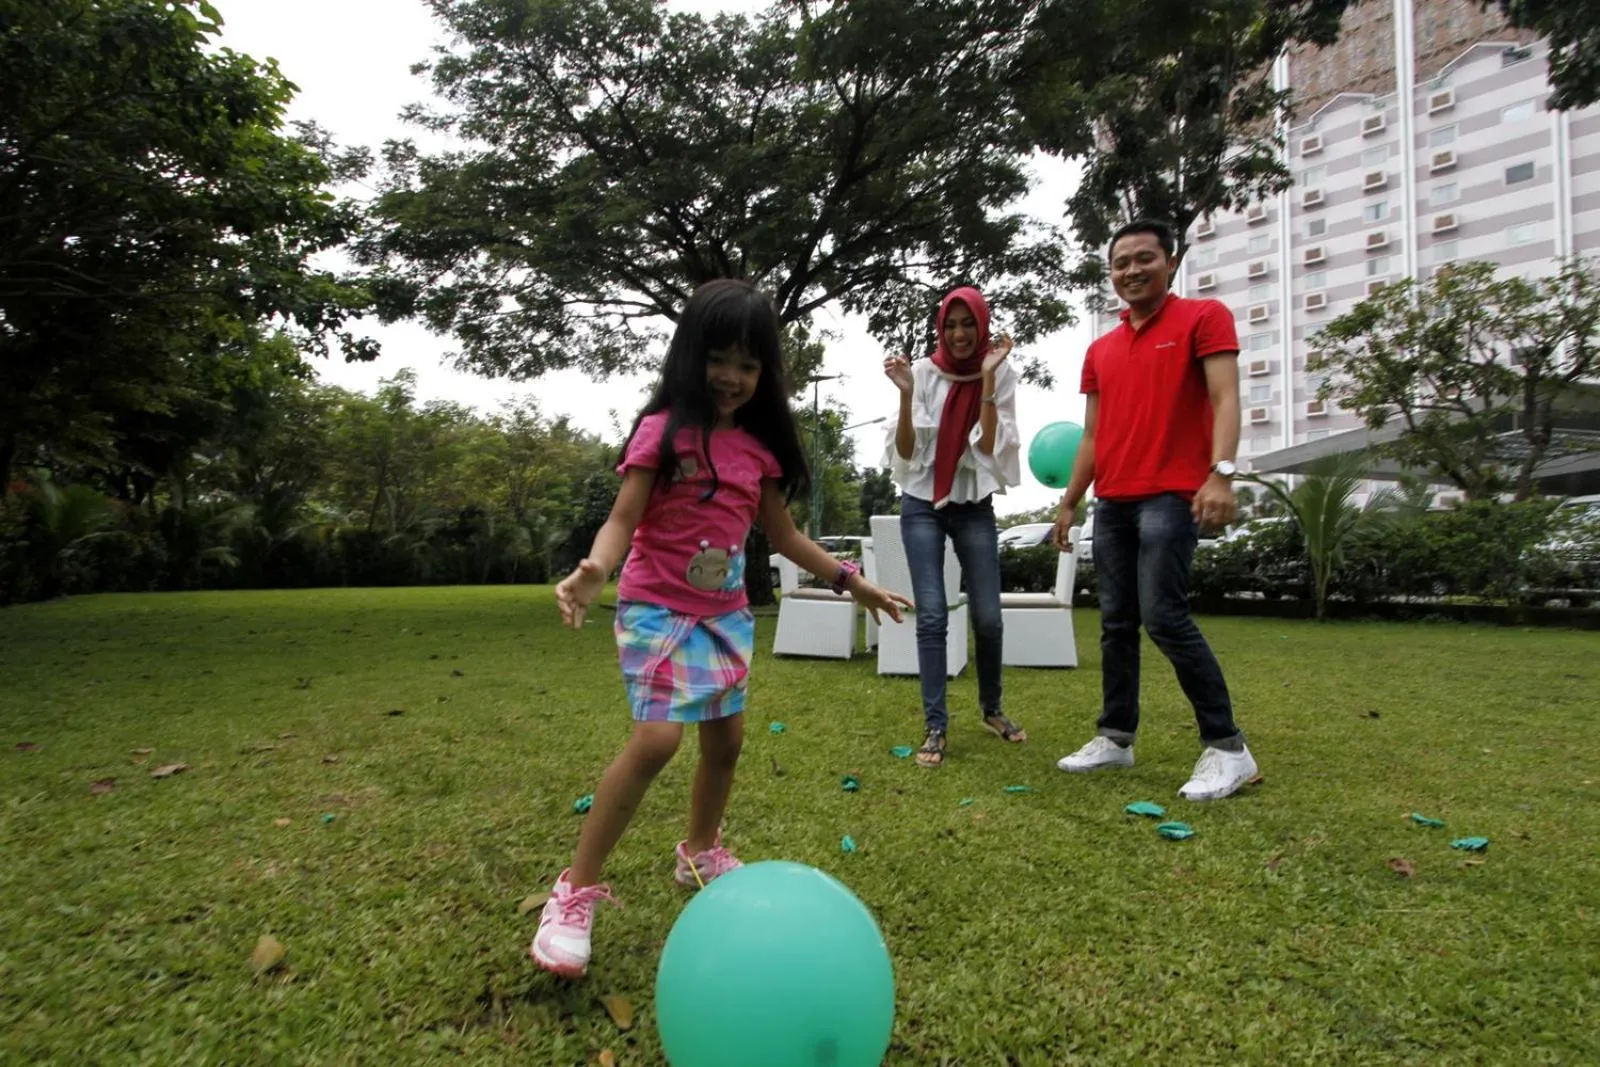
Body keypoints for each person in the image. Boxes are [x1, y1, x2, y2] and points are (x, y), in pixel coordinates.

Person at [530, 279, 910, 979]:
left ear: (765, 373)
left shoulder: (759, 452)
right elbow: (623, 518)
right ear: (690, 356)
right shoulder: (664, 431)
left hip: (724, 616)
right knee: (656, 739)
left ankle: (698, 849)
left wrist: (853, 584)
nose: (732, 377)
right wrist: (595, 570)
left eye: (748, 363)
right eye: (719, 358)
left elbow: (787, 536)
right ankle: (574, 890)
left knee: (727, 739)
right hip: (654, 608)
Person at [1053, 219, 1260, 801]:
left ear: (1170, 262)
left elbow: (1226, 397)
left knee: (1165, 618)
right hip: (1113, 501)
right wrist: (1069, 502)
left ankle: (1228, 749)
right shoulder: (1100, 349)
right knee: (1116, 623)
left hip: (1172, 494)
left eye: (1144, 258)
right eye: (1121, 263)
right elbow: (1092, 437)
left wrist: (1221, 472)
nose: (1131, 271)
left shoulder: (1203, 318)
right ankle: (1116, 737)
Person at [882, 286, 1026, 769]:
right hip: (922, 503)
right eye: (951, 325)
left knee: (988, 616)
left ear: (981, 326)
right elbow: (905, 453)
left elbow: (987, 450)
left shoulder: (1000, 373)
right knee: (933, 615)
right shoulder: (922, 373)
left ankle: (992, 709)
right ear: (940, 328)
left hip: (972, 505)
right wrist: (905, 397)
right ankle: (935, 725)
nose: (960, 334)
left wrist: (986, 379)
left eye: (968, 324)